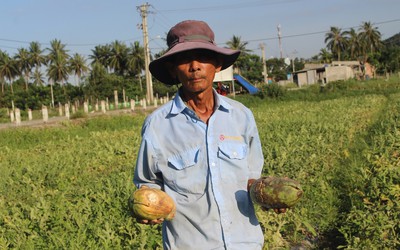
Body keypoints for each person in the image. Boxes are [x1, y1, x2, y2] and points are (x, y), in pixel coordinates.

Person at [134, 20, 270, 250]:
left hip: (245, 243)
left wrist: (268, 195)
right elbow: (147, 183)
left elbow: (251, 178)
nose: (195, 66)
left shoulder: (241, 116)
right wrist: (148, 208)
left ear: (217, 65)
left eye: (202, 57)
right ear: (172, 69)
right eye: (184, 59)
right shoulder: (158, 125)